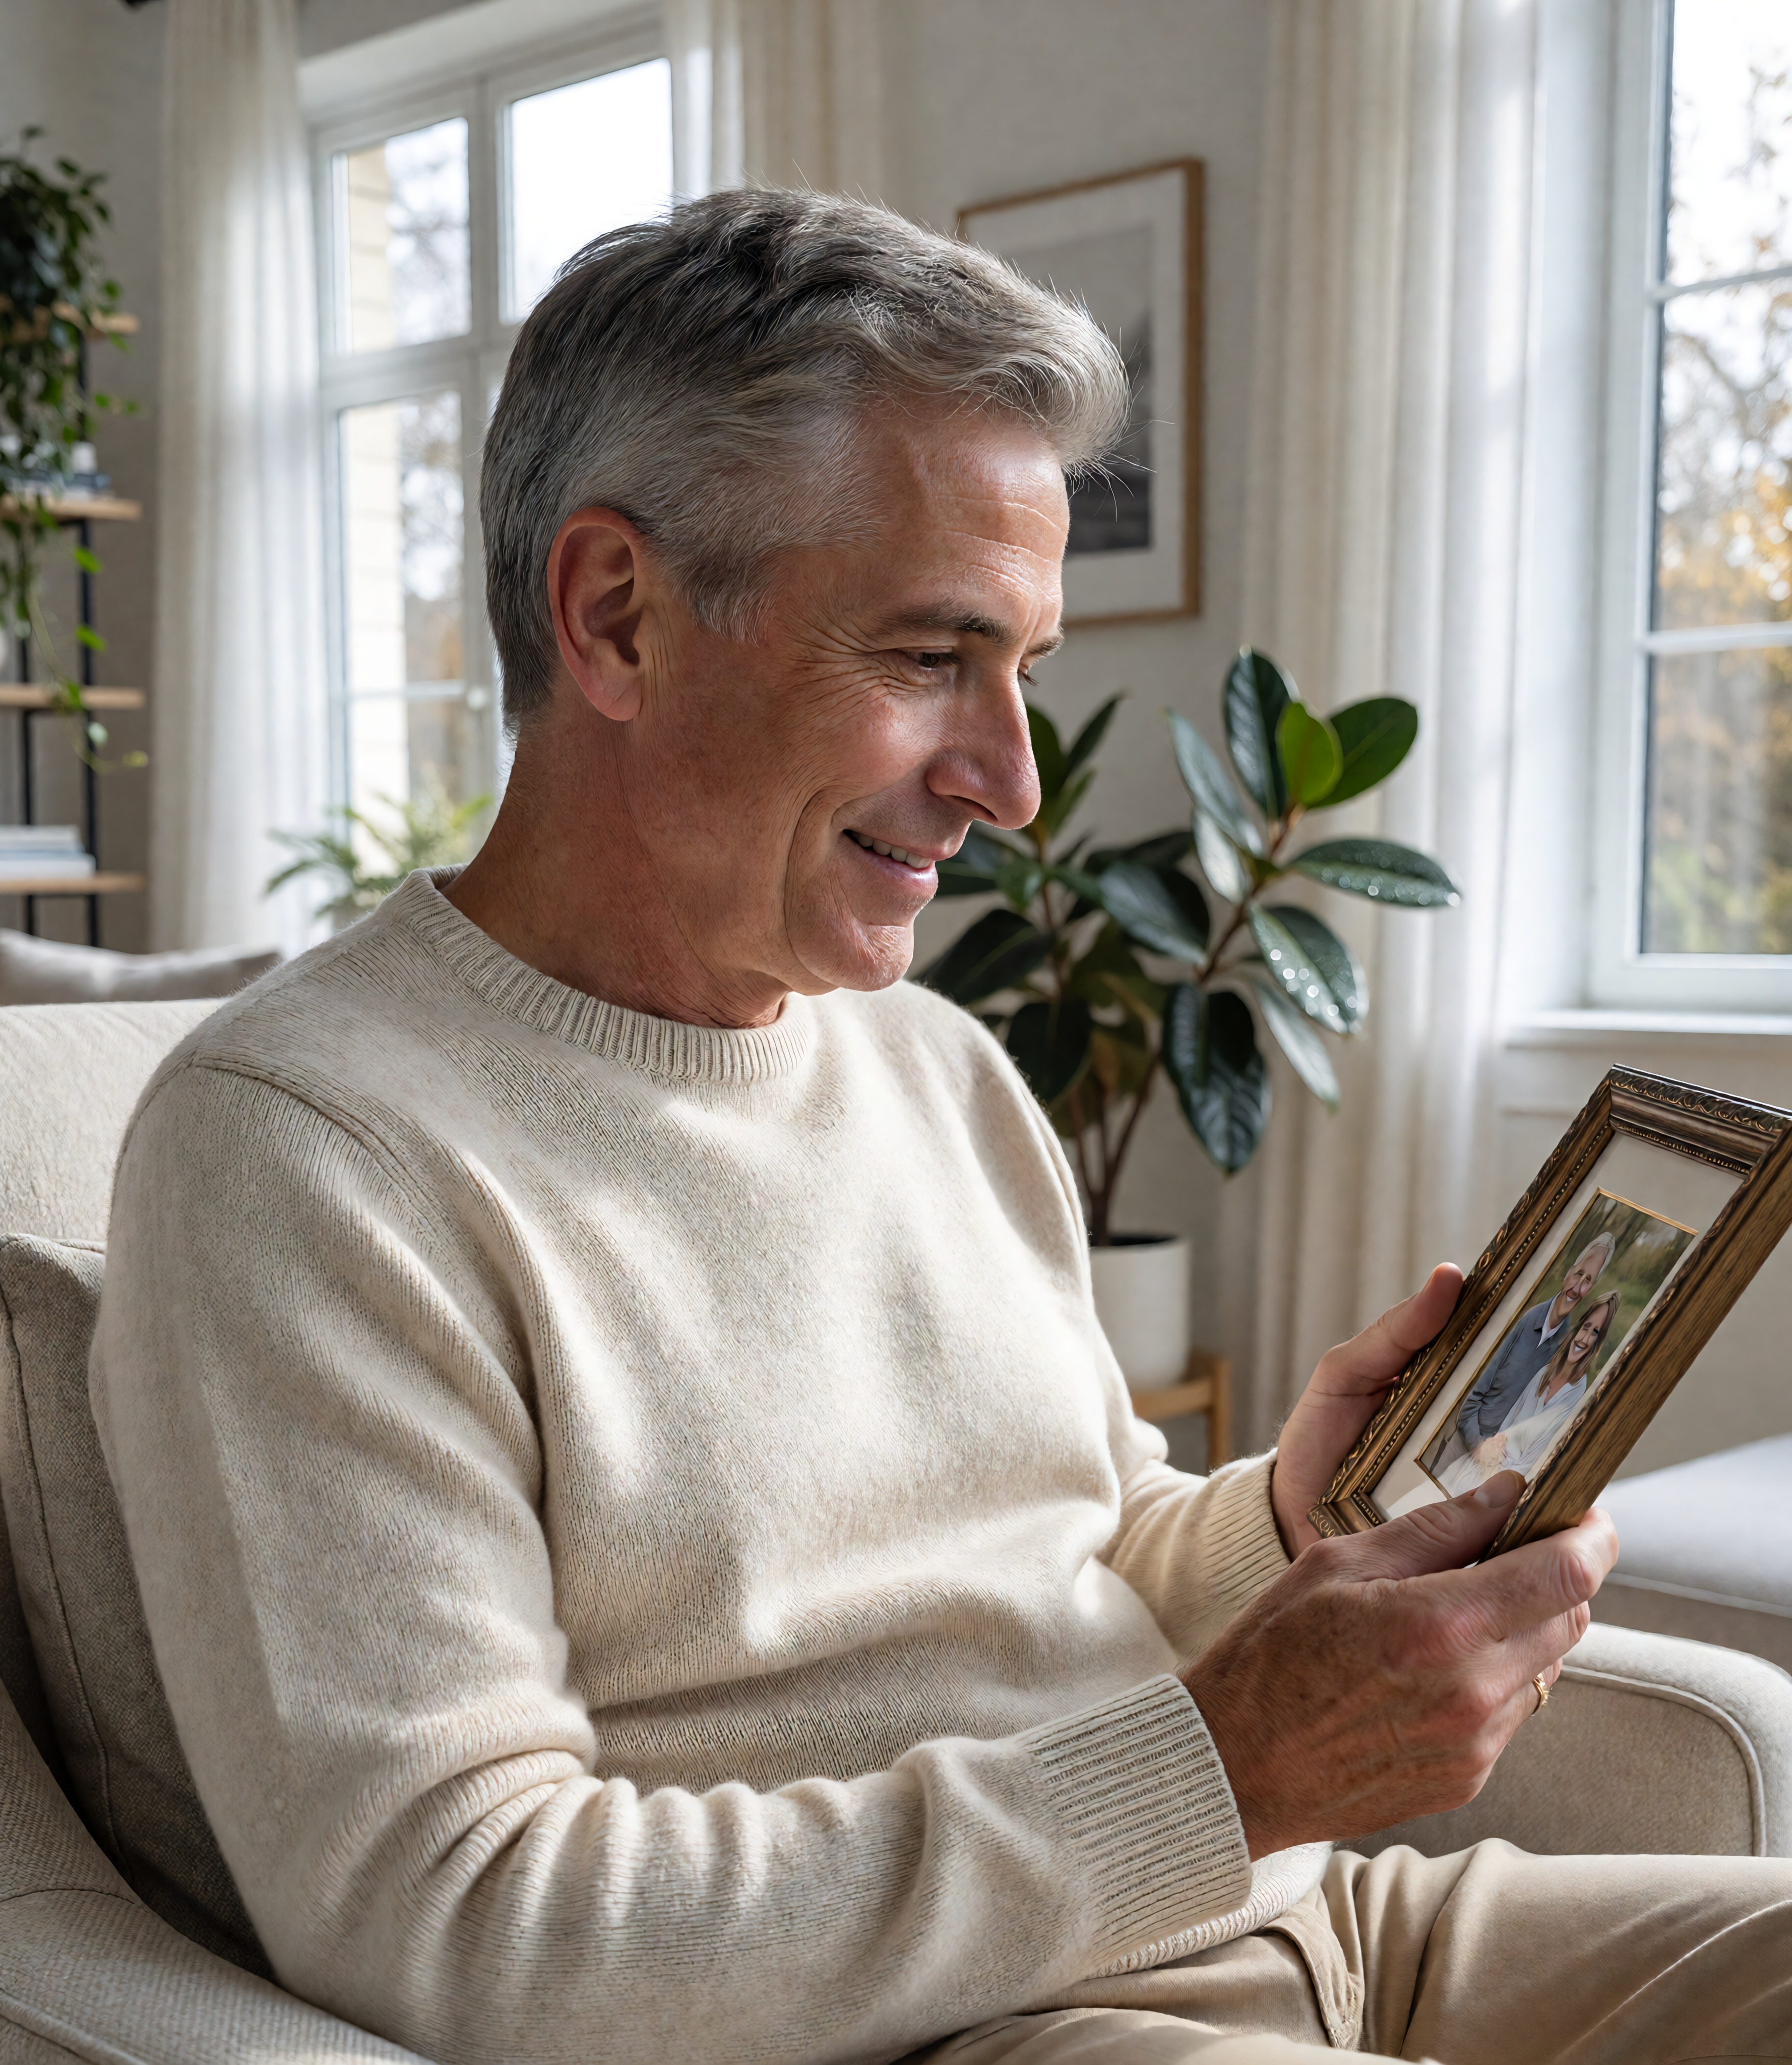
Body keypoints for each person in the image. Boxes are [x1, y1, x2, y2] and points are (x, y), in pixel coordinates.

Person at [92, 191, 1792, 2065]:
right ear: (615, 614)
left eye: (1025, 671)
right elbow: (463, 1922)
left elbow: (1069, 1556)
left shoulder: (933, 1063)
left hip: (1324, 1925)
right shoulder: (304, 1153)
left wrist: (1291, 1517)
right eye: (927, 658)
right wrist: (1221, 1770)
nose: (1008, 778)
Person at [1437, 1293, 1619, 1496]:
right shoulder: (1543, 1373)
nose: (1585, 1338)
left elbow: (1536, 1458)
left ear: (1598, 1342)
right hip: (1488, 1459)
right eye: (1586, 1327)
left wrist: (1498, 1476)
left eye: (1594, 1332)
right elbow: (1509, 1423)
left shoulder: (1576, 1395)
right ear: (1579, 1327)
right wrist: (1490, 1452)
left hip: (1506, 1483)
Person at [1453, 1231, 1617, 1453]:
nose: (1577, 1288)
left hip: (1498, 1458)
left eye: (1588, 1281)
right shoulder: (1526, 1319)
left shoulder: (1566, 1348)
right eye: (1578, 1274)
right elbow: (1470, 1404)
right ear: (1568, 1274)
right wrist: (1479, 1448)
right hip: (1464, 1443)